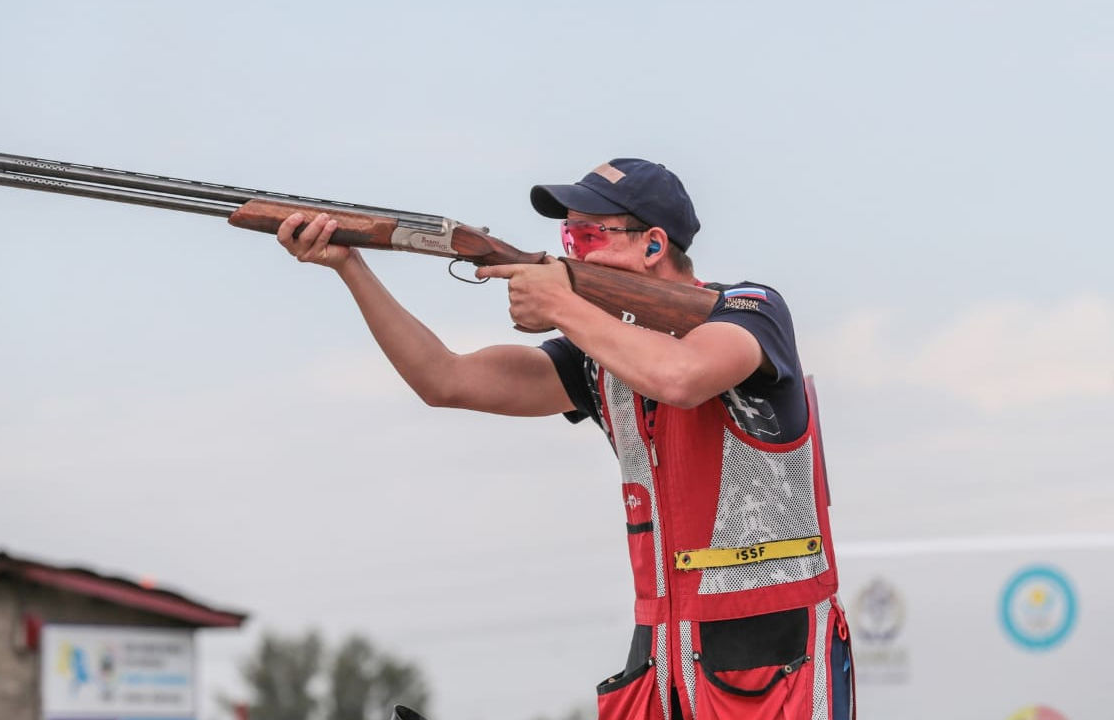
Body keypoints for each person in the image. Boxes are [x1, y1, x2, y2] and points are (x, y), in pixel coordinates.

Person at [275, 159, 854, 720]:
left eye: (588, 234)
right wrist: (351, 267)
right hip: (659, 658)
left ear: (654, 245)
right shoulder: (596, 359)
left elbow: (680, 378)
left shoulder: (750, 312)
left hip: (777, 655)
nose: (570, 250)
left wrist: (560, 303)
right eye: (568, 235)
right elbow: (444, 379)